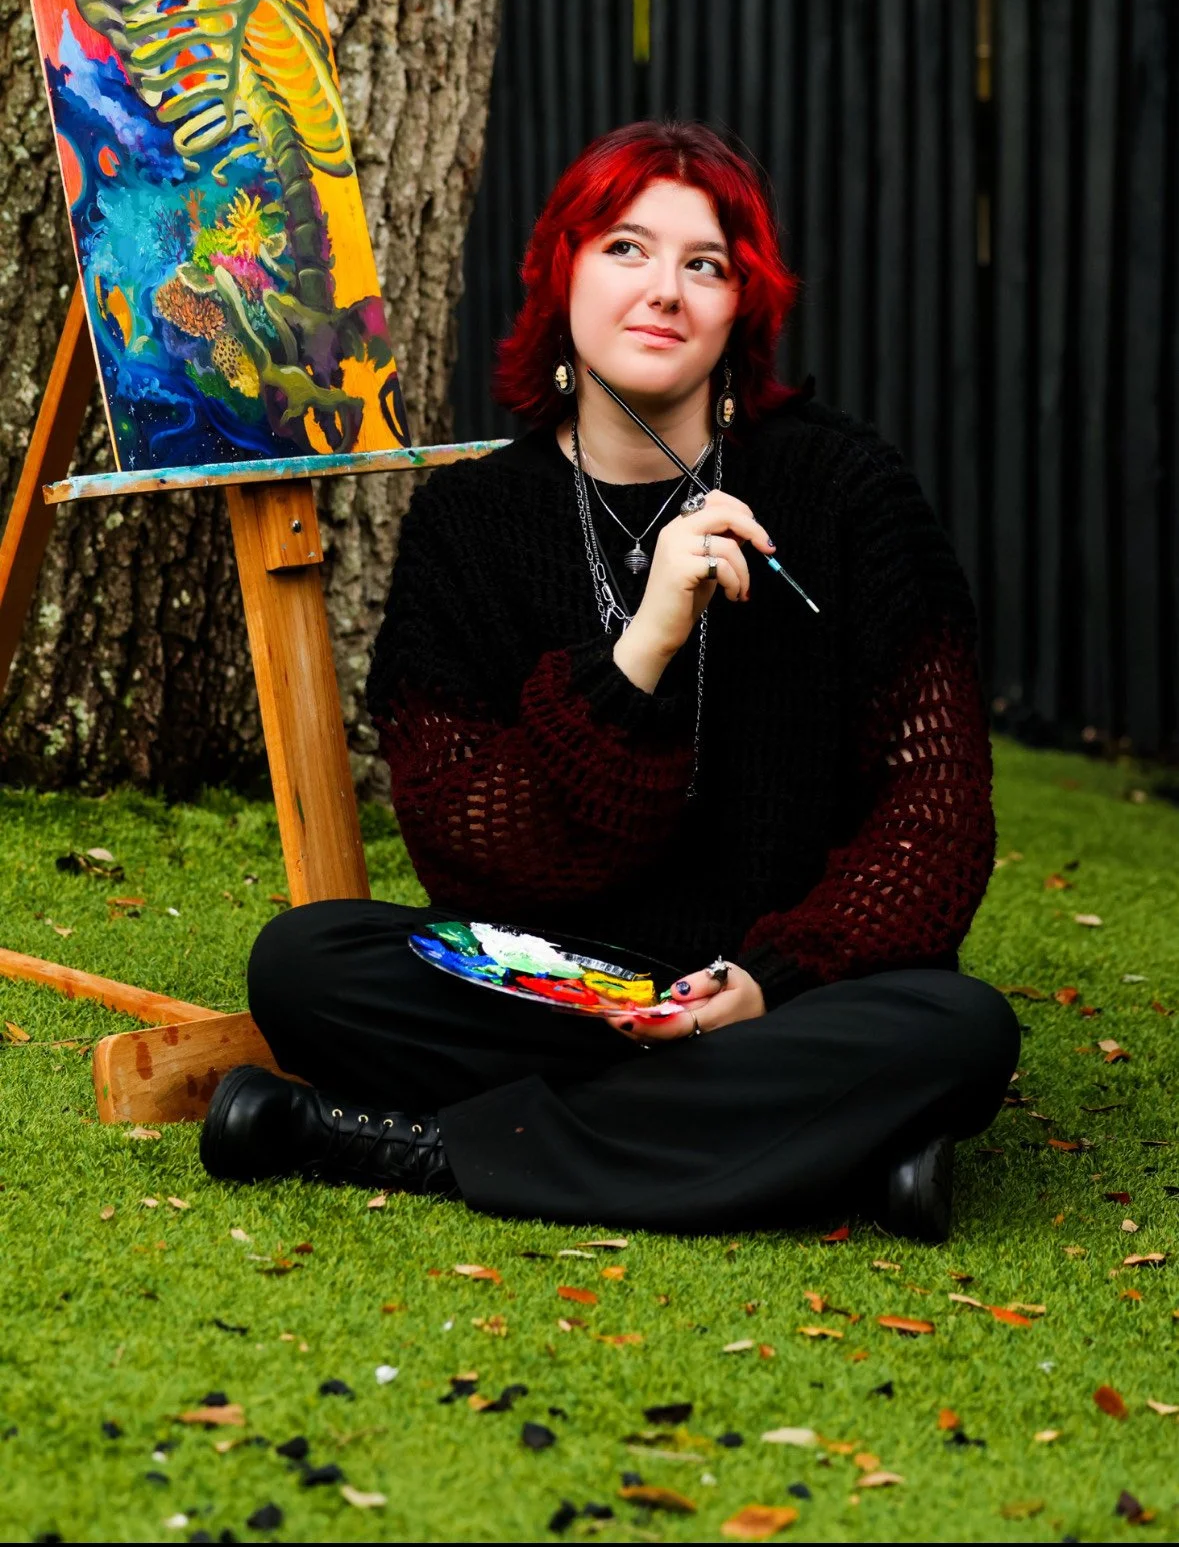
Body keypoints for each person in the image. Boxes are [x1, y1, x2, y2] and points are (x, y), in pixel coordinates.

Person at [199, 120, 1019, 1241]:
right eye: (626, 248)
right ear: (561, 276)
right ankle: (830, 1152)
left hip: (776, 992)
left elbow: (936, 823)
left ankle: (401, 1143)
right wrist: (642, 645)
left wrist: (773, 974)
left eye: (706, 263)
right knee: (307, 964)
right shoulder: (471, 523)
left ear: (743, 309)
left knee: (959, 1026)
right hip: (560, 990)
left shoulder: (850, 492)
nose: (665, 290)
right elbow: (469, 842)